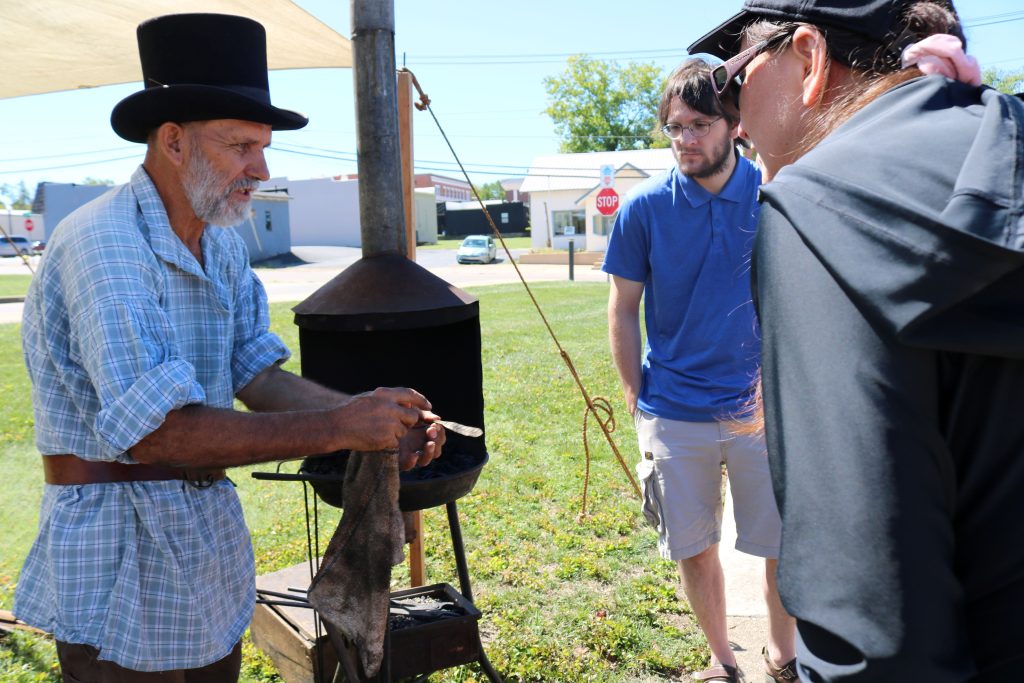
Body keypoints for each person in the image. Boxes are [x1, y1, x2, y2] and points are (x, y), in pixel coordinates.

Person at [15, 13, 445, 682]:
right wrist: (339, 426)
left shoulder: (220, 241)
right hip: (119, 548)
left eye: (263, 146)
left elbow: (256, 371)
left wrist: (372, 422)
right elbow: (156, 434)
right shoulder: (105, 244)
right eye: (241, 145)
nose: (261, 167)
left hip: (204, 543)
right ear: (174, 140)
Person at [689, 1, 1024, 681]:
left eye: (736, 75)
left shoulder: (816, 208)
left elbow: (867, 610)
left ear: (808, 58)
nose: (734, 114)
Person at [602, 58, 797, 683]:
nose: (685, 138)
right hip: (674, 410)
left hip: (764, 411)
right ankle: (722, 660)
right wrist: (636, 395)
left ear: (734, 126)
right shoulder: (643, 209)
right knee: (693, 546)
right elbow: (623, 308)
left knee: (778, 546)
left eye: (699, 124)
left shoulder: (774, 199)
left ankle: (783, 655)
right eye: (674, 126)